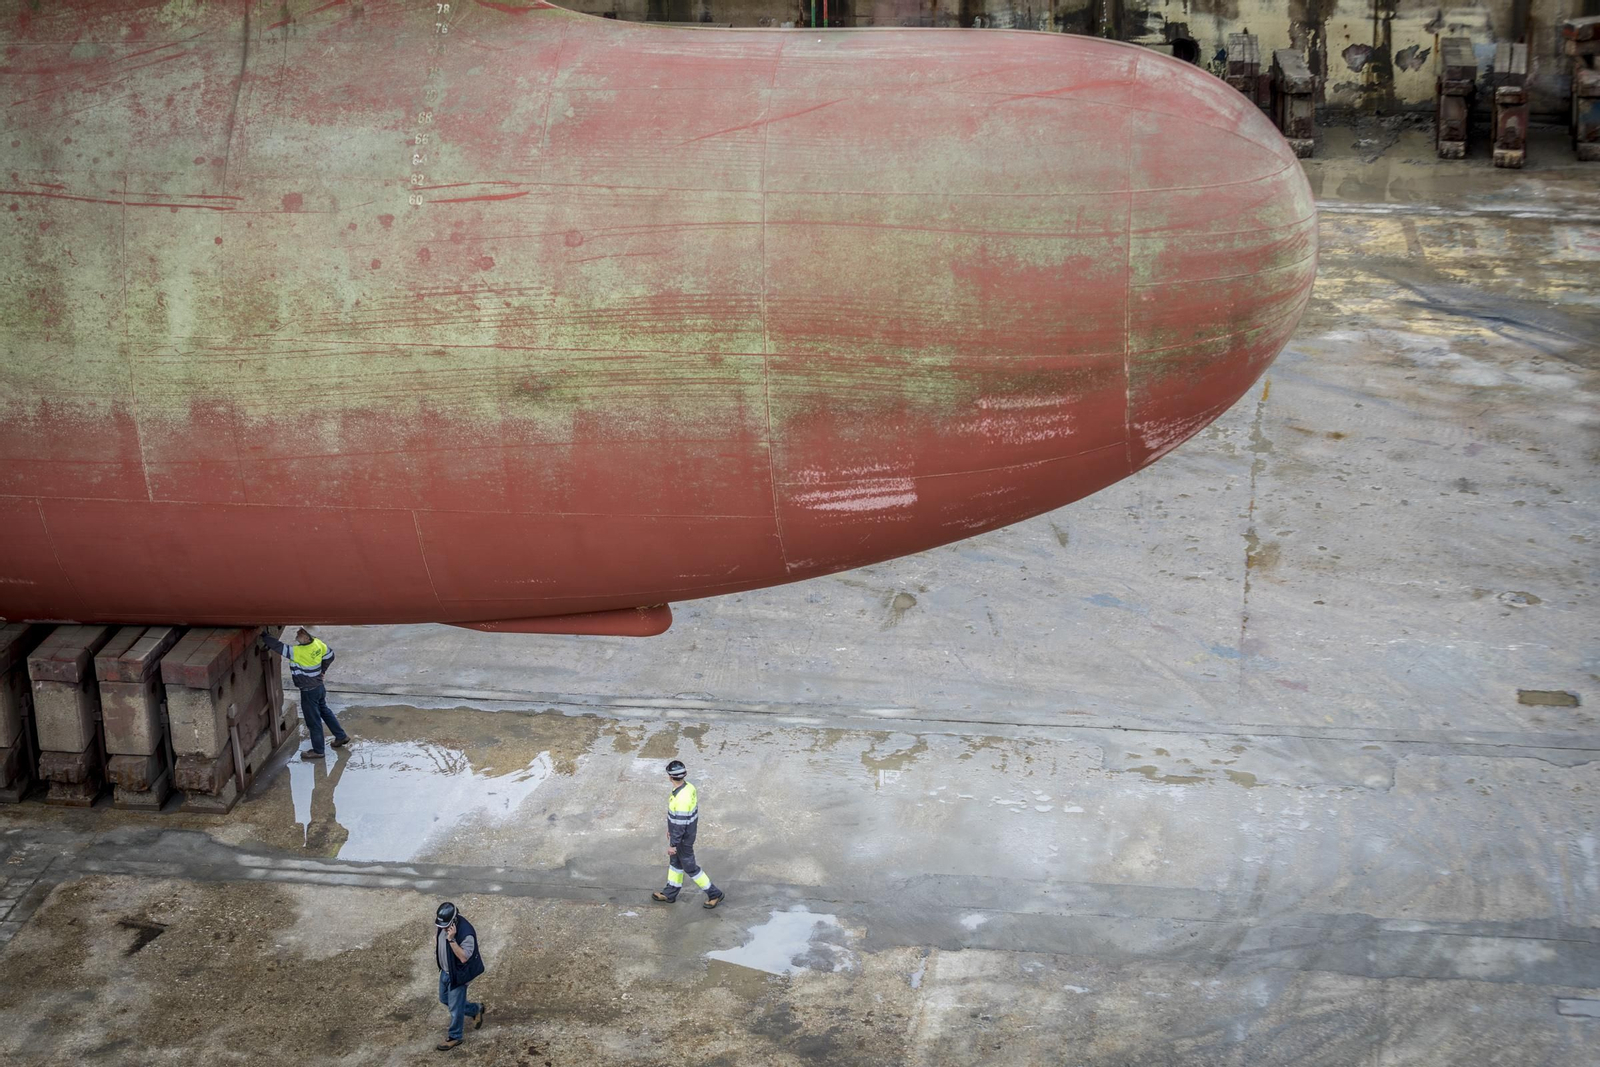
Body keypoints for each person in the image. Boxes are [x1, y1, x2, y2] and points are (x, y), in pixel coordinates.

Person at [260, 627, 349, 760]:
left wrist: (262, 635)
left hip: (308, 692)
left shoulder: (298, 652)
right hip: (318, 687)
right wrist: (322, 671)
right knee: (324, 711)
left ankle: (318, 751)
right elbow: (330, 655)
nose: (297, 633)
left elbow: (278, 647)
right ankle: (341, 736)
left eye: (301, 633)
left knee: (313, 721)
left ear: (307, 637)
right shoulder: (318, 643)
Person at [651, 759, 725, 908]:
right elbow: (679, 818)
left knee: (690, 867)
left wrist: (673, 844)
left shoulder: (682, 798)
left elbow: (680, 824)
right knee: (675, 864)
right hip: (683, 834)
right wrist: (671, 830)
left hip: (682, 839)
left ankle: (714, 893)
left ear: (670, 777)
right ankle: (670, 893)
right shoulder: (688, 787)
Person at [433, 901, 486, 1051]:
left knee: (455, 1009)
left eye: (444, 925)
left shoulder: (466, 933)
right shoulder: (443, 926)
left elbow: (463, 957)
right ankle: (475, 1009)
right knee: (444, 999)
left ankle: (455, 1036)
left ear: (454, 921)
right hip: (446, 970)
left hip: (458, 975)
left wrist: (452, 939)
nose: (441, 928)